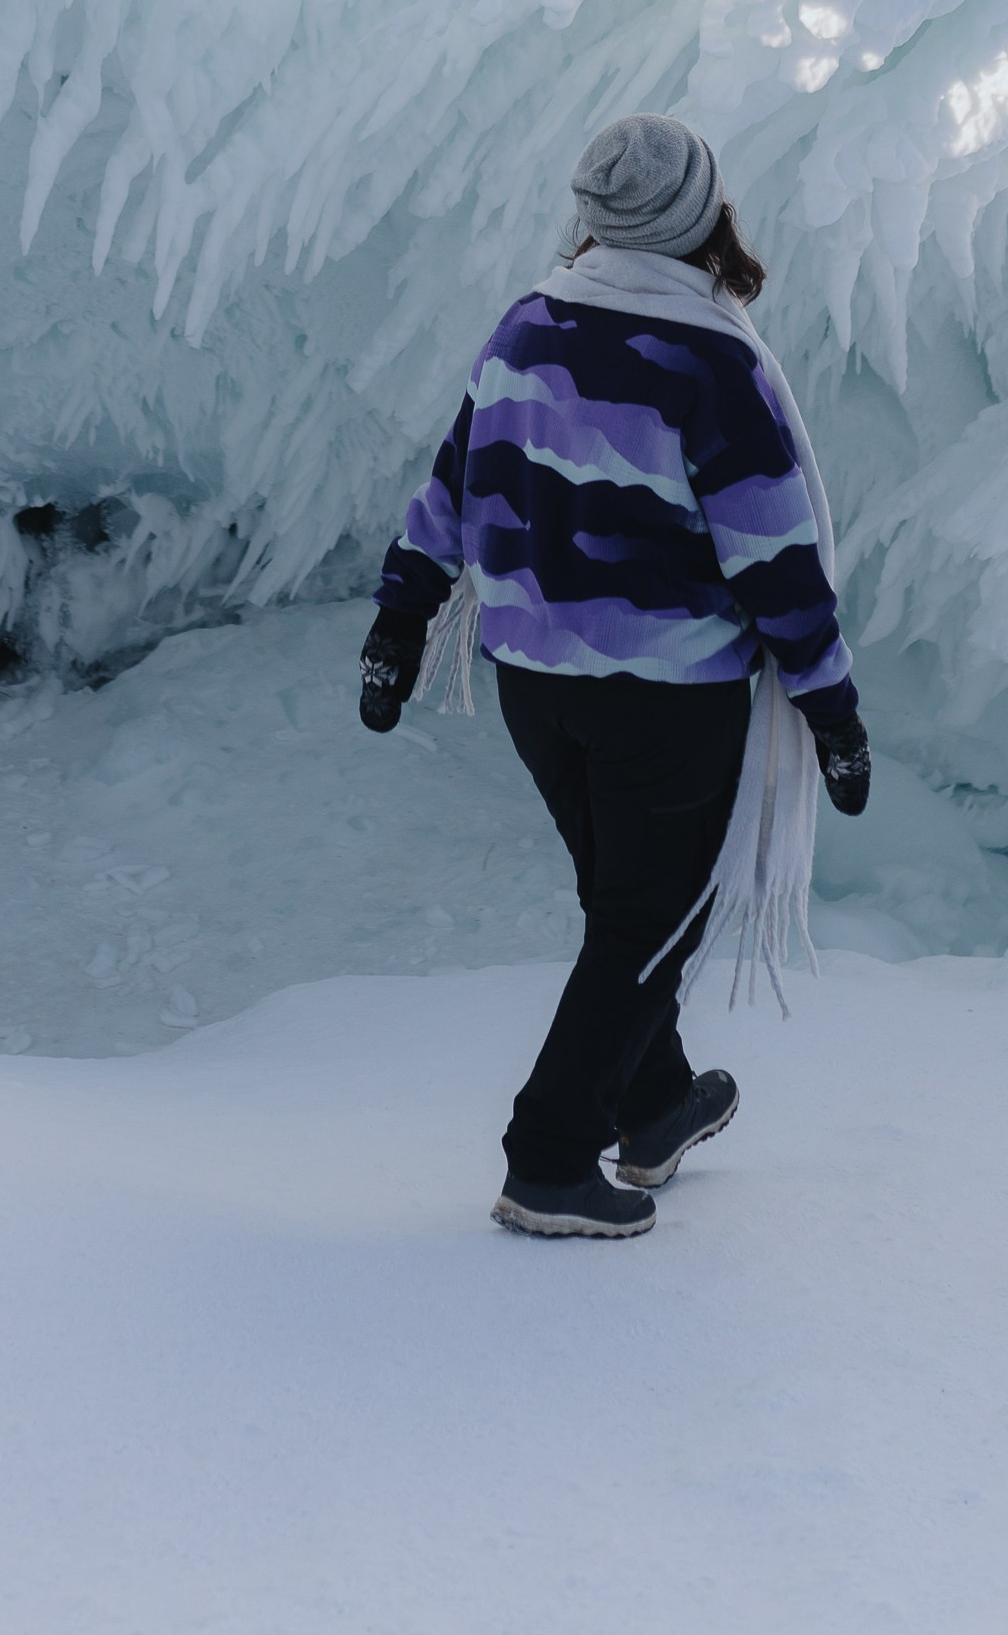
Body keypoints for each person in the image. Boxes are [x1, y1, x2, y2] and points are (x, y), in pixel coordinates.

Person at [357, 113, 872, 1239]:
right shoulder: (711, 359)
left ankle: (649, 1108)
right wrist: (830, 707)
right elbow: (772, 556)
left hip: (536, 688)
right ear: (703, 219)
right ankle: (547, 1158)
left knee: (627, 910)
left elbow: (458, 478)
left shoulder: (529, 324)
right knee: (647, 923)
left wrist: (401, 616)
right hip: (665, 698)